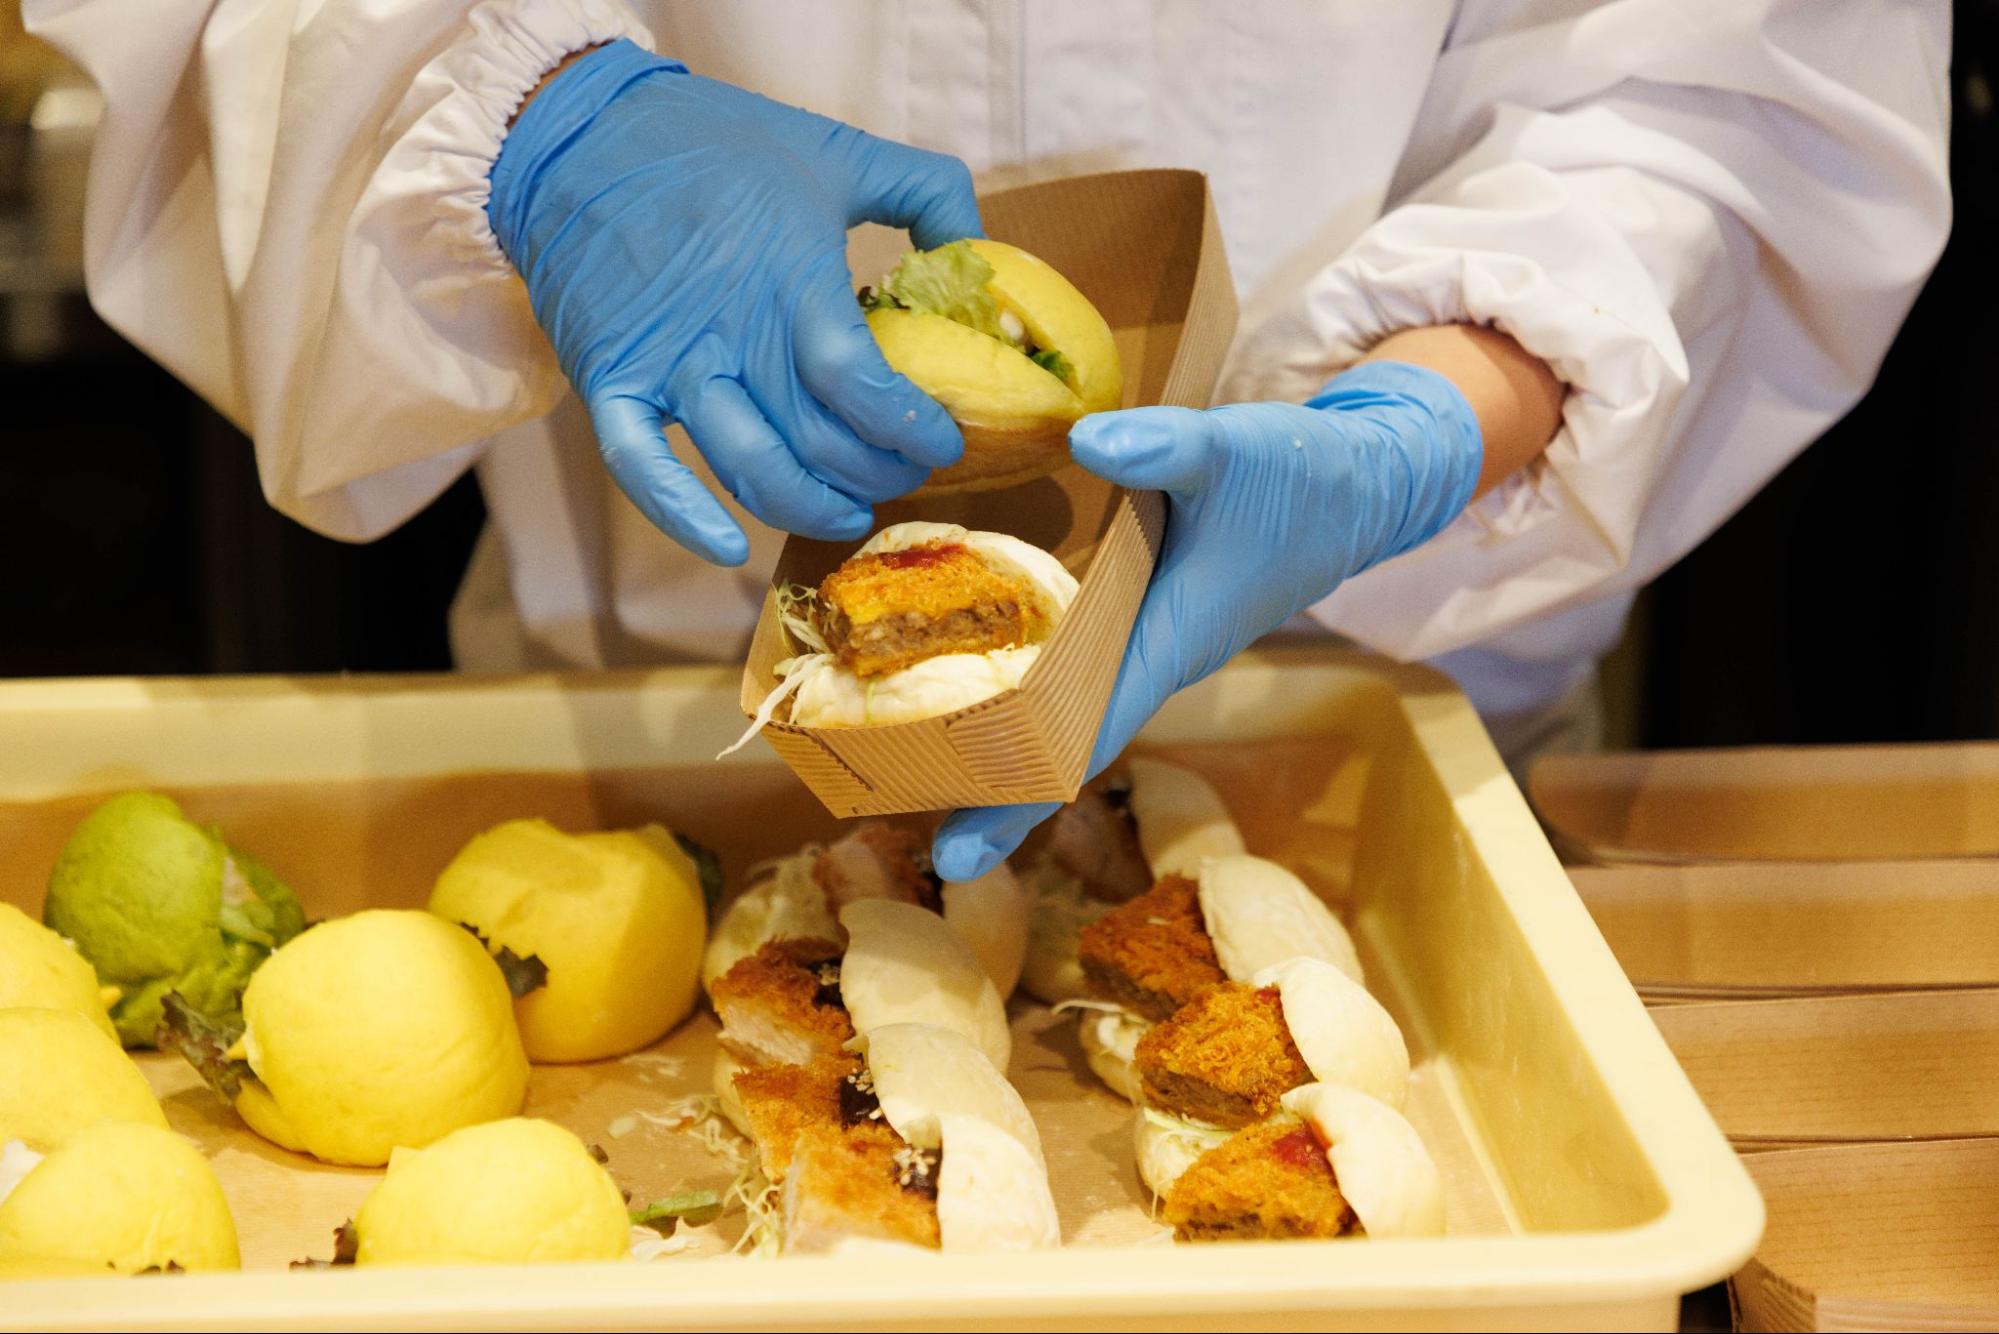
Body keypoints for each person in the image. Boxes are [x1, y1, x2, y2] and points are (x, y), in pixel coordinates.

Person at [27, 3, 1950, 879]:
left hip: (1377, 787)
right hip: (657, 764)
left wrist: (1420, 420)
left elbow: (1728, 86)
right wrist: (530, 132)